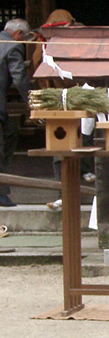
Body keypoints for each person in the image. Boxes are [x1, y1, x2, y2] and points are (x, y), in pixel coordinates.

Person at [0, 19, 34, 207]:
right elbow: (20, 78)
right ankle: (1, 194)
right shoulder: (11, 47)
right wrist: (33, 101)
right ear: (18, 34)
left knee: (10, 132)